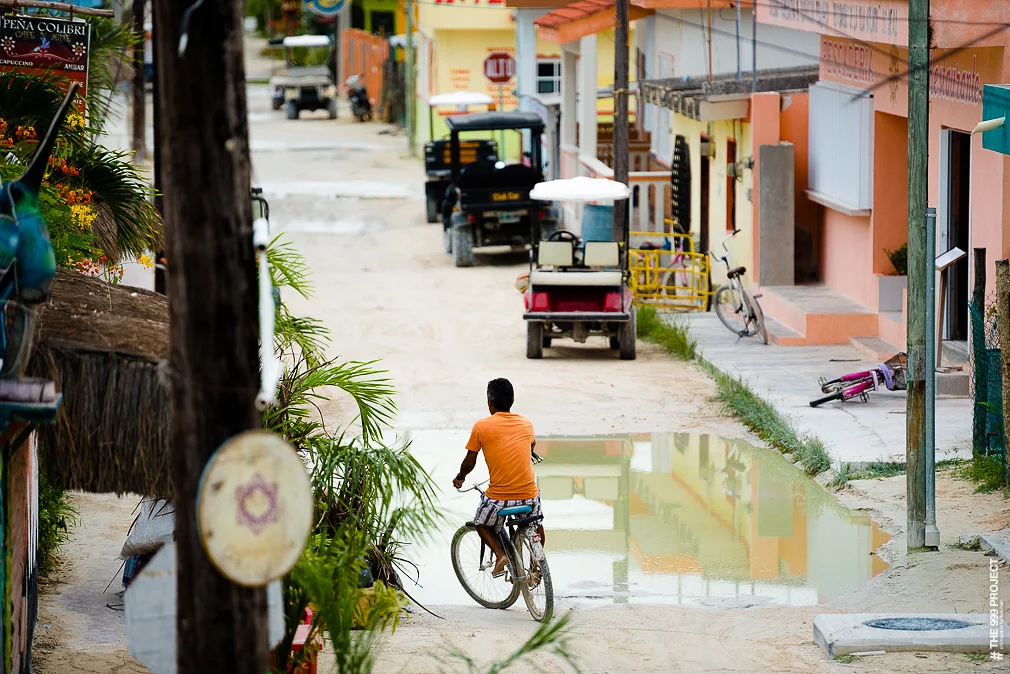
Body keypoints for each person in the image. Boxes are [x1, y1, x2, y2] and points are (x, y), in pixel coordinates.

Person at [453, 378, 545, 577]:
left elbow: (470, 461)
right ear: (512, 400)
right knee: (535, 524)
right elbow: (531, 446)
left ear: (490, 402)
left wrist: (460, 477)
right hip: (529, 495)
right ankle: (537, 567)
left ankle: (500, 555)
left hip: (499, 498)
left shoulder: (481, 427)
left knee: (480, 523)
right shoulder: (526, 424)